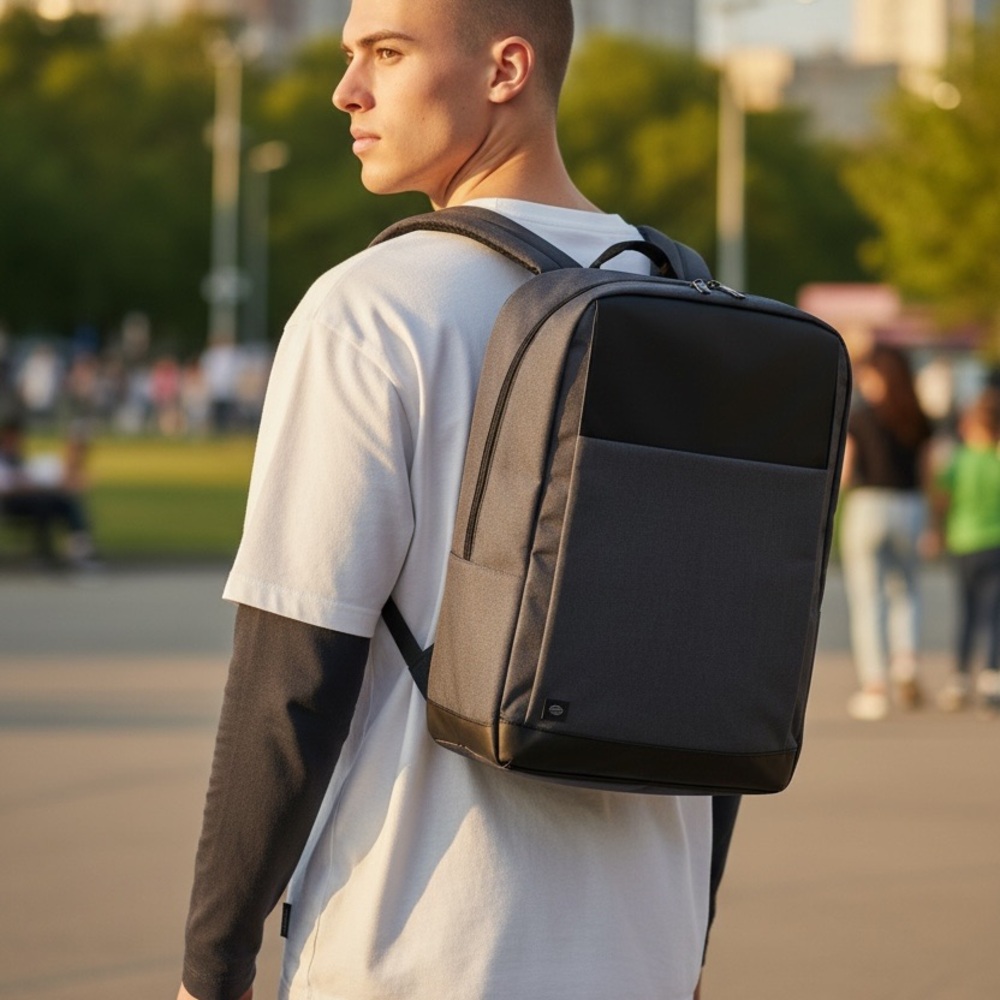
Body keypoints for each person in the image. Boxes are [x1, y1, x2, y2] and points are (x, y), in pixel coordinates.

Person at [176, 3, 739, 999]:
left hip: (415, 948)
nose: (346, 90)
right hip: (644, 947)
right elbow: (724, 683)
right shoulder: (688, 305)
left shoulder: (374, 307)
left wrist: (210, 970)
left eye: (386, 53)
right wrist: (687, 941)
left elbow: (288, 683)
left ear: (505, 68)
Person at [839, 344, 934, 721]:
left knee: (867, 599)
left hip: (867, 508)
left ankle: (874, 687)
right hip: (910, 506)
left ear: (878, 376)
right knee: (906, 592)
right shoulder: (918, 418)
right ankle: (906, 664)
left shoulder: (859, 418)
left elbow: (846, 471)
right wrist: (932, 523)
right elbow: (928, 472)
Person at [930, 389, 1000, 713]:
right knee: (994, 615)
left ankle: (960, 677)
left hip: (963, 543)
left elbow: (942, 497)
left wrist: (937, 532)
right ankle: (991, 677)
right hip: (995, 544)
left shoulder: (958, 459)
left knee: (967, 614)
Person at [0, 414, 98, 568]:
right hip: (10, 502)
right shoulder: (4, 459)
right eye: (13, 437)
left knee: (65, 500)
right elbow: (6, 487)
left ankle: (79, 546)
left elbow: (31, 477)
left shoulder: (18, 458)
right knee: (42, 502)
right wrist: (25, 486)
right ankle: (45, 552)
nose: (17, 441)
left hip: (30, 498)